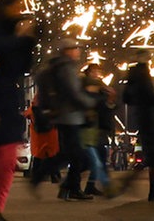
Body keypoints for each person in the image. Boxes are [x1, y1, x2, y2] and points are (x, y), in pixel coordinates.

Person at [0, 0, 37, 214]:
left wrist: (28, 40)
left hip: (5, 98)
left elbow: (21, 67)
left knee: (7, 156)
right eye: (17, 5)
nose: (20, 10)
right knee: (0, 155)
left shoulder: (12, 28)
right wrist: (21, 39)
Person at [38, 40, 99, 200]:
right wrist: (90, 102)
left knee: (74, 155)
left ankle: (71, 188)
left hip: (68, 116)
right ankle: (42, 175)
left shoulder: (61, 67)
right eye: (75, 48)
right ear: (67, 50)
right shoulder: (66, 68)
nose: (78, 51)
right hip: (70, 116)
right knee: (76, 155)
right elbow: (73, 92)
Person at [117, 61, 154, 203]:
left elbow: (126, 99)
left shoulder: (132, 87)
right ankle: (136, 184)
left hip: (143, 124)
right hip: (151, 124)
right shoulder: (145, 85)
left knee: (152, 159)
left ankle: (152, 189)